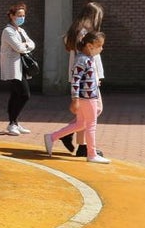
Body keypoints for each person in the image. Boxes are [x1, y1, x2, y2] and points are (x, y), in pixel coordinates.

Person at [44, 31, 109, 164]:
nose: (101, 48)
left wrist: (95, 82)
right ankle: (91, 154)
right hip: (87, 98)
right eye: (100, 46)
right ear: (90, 46)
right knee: (91, 125)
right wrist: (75, 99)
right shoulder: (82, 60)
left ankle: (52, 137)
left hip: (88, 96)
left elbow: (84, 78)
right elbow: (75, 81)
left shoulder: (87, 58)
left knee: (81, 124)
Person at [61, 2, 106, 156]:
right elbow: (90, 57)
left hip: (82, 75)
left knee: (85, 113)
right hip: (87, 76)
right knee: (94, 110)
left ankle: (81, 145)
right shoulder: (84, 33)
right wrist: (96, 76)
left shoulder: (75, 31)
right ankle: (69, 133)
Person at [0, 2, 36, 136]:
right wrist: (25, 45)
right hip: (12, 67)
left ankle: (14, 122)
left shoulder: (21, 31)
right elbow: (19, 47)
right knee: (25, 94)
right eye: (19, 15)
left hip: (21, 67)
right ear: (11, 16)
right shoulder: (8, 31)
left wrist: (25, 45)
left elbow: (32, 44)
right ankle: (12, 123)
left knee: (15, 95)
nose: (21, 18)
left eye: (23, 15)